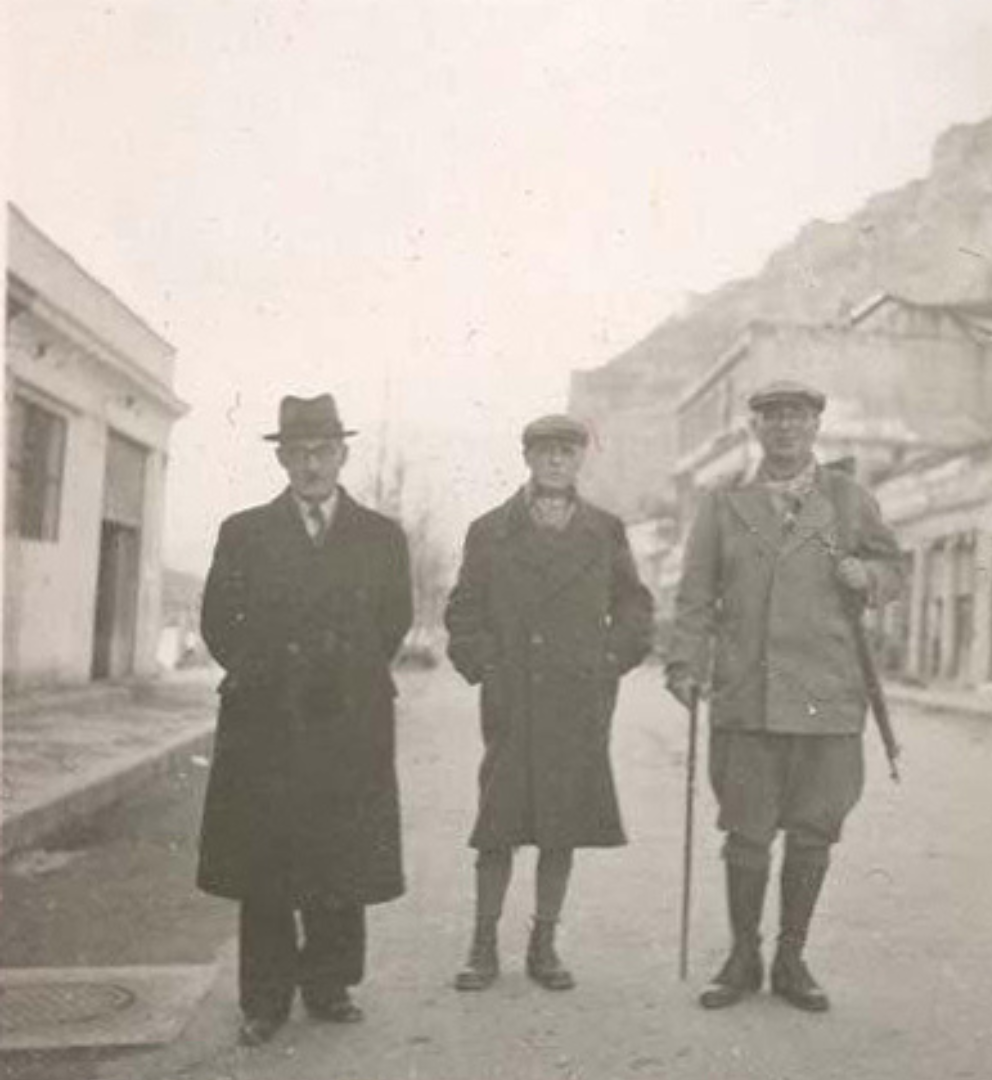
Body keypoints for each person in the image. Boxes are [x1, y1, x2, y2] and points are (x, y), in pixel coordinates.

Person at [665, 380, 903, 1013]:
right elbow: (694, 598)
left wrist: (869, 576)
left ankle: (791, 959)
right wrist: (685, 666)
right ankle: (743, 957)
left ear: (816, 426)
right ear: (757, 430)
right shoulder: (723, 505)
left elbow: (895, 568)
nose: (785, 429)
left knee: (813, 832)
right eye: (772, 419)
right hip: (749, 694)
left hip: (829, 697)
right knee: (745, 833)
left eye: (797, 417)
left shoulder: (850, 501)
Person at [196, 394, 413, 1046]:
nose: (312, 464)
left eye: (324, 451)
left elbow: (393, 621)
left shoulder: (381, 536)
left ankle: (330, 985)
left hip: (347, 718)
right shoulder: (245, 532)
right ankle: (263, 999)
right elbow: (217, 621)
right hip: (266, 720)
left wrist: (342, 678)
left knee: (339, 855)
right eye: (300, 452)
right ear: (283, 459)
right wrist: (265, 675)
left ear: (343, 456)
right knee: (264, 860)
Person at [445, 414, 654, 992]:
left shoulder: (606, 531)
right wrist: (485, 661)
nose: (556, 461)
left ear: (581, 458)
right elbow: (464, 609)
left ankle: (544, 945)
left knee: (561, 825)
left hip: (576, 701)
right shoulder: (490, 530)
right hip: (512, 700)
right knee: (498, 825)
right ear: (528, 458)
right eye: (545, 451)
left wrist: (609, 660)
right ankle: (482, 945)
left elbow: (635, 606)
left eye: (566, 450)